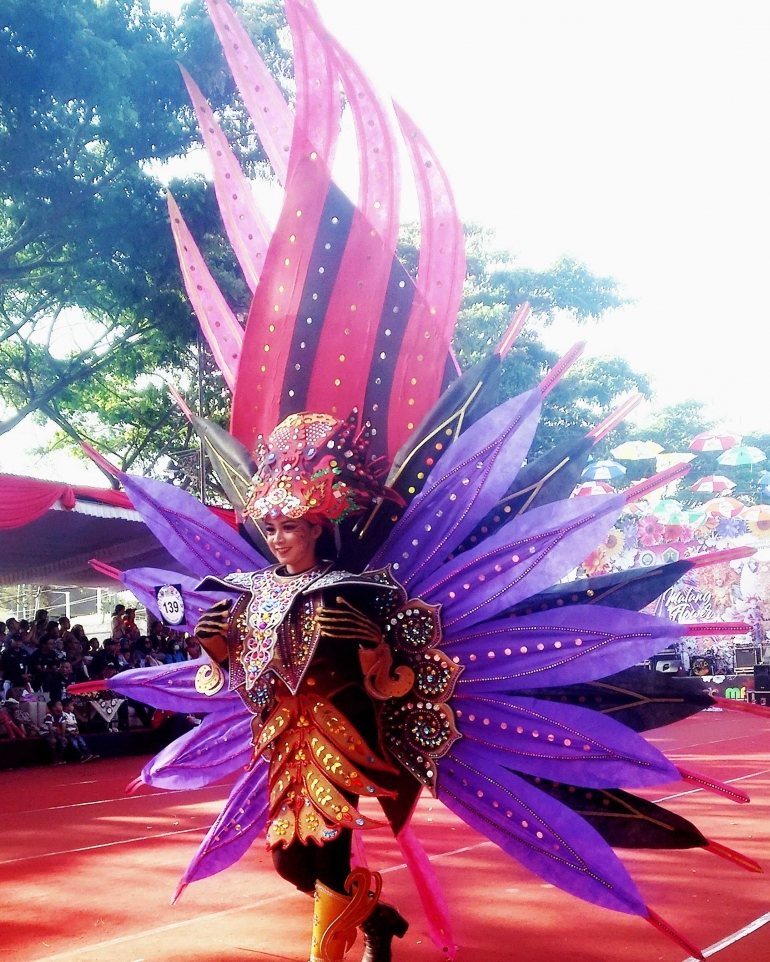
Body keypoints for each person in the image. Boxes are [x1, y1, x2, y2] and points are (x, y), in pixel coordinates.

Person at [191, 413, 410, 962]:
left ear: (316, 528)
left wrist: (371, 648)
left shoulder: (346, 590)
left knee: (330, 855)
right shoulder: (248, 593)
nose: (279, 540)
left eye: (290, 527)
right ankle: (375, 916)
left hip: (338, 736)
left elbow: (384, 671)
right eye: (271, 529)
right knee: (291, 862)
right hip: (281, 739)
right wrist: (213, 649)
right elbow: (237, 673)